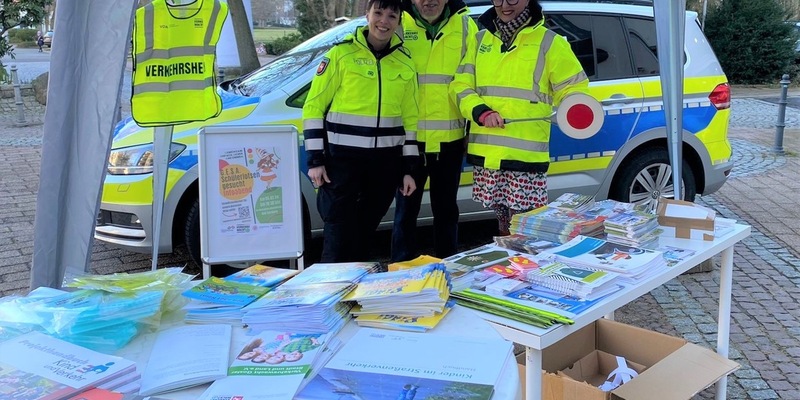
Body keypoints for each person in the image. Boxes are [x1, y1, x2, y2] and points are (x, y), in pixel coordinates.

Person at [449, 0, 588, 235]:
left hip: (526, 157)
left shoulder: (549, 42)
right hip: (489, 154)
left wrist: (573, 109)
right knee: (504, 226)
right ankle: (509, 268)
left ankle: (527, 269)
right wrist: (481, 111)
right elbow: (460, 86)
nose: (504, 5)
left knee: (530, 230)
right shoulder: (480, 39)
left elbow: (574, 89)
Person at [303, 0, 419, 262]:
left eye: (392, 15)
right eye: (378, 13)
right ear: (366, 15)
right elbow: (313, 107)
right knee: (337, 230)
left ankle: (356, 293)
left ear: (399, 21)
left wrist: (409, 168)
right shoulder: (340, 55)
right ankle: (328, 292)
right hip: (342, 162)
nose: (384, 21)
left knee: (365, 231)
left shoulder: (405, 62)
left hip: (384, 165)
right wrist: (316, 160)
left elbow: (411, 119)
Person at [390, 0, 478, 262]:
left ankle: (448, 267)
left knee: (446, 210)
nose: (429, 1)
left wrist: (471, 131)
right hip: (408, 141)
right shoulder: (398, 23)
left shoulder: (465, 26)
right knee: (405, 211)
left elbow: (477, 81)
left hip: (449, 142)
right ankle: (400, 271)